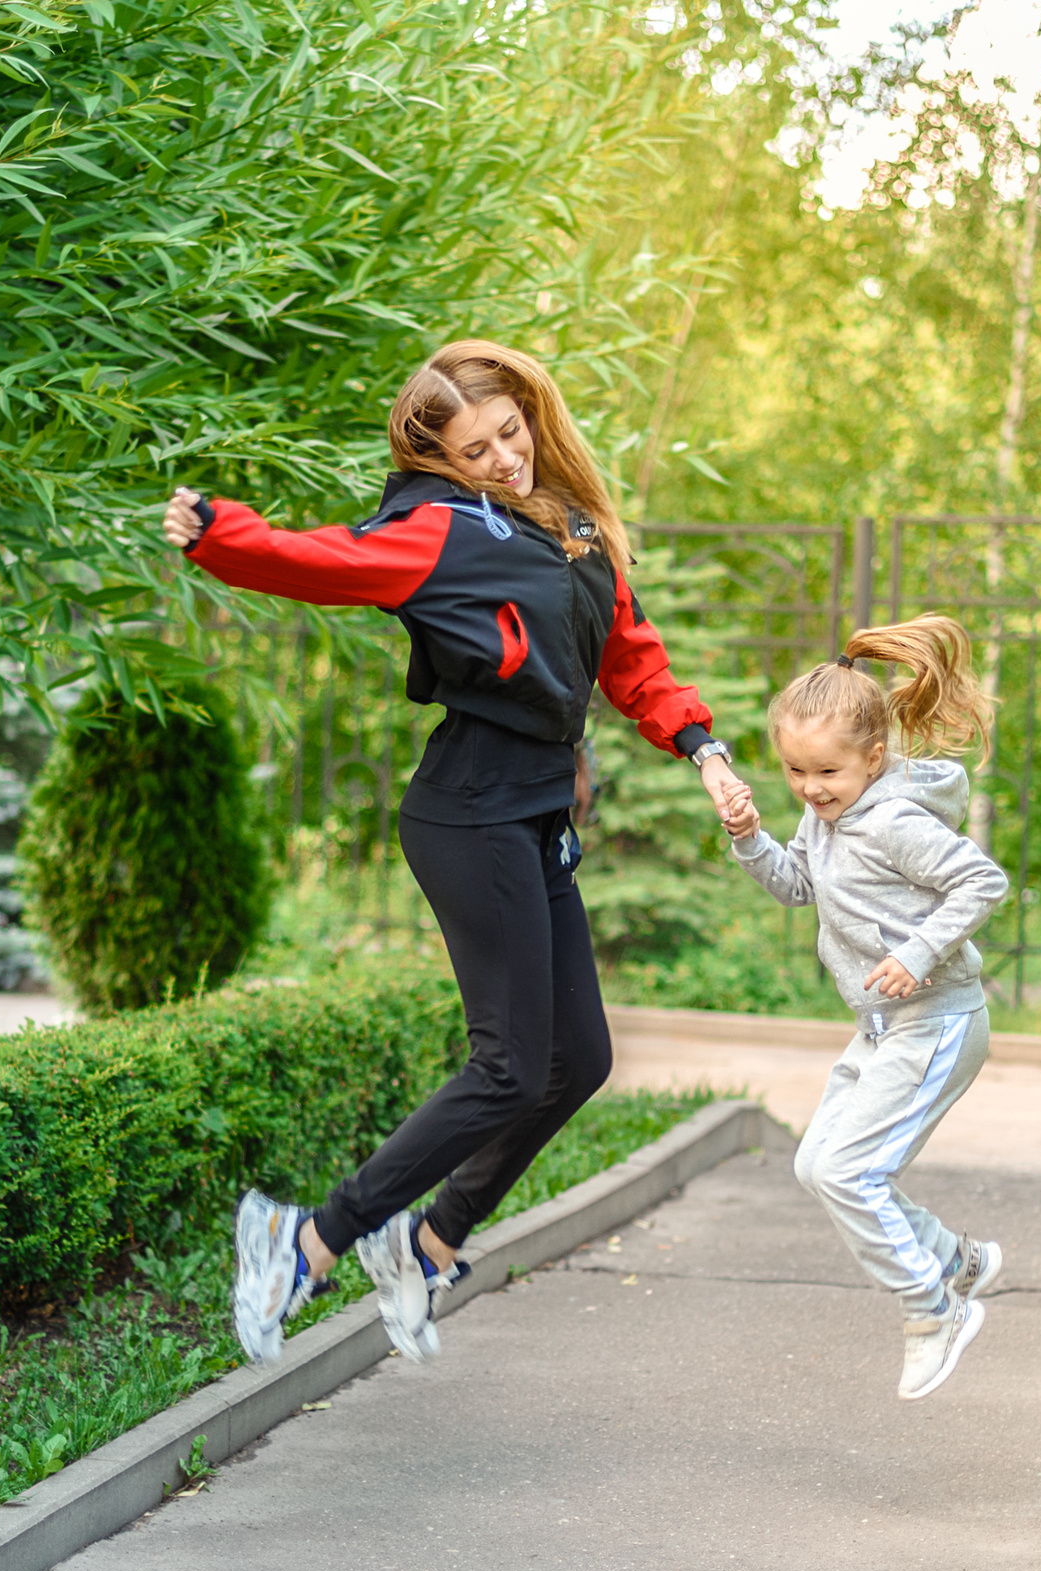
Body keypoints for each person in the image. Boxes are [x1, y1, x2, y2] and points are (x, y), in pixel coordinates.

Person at [158, 339, 746, 1365]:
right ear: (440, 459)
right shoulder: (441, 529)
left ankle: (426, 1243)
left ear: (532, 414)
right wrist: (219, 534)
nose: (505, 459)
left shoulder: (574, 530)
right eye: (477, 451)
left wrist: (704, 750)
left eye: (511, 433)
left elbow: (632, 659)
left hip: (533, 815)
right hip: (469, 812)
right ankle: (306, 1239)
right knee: (510, 1065)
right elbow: (320, 561)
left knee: (578, 1060)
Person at [715, 616, 1011, 1400]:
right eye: (795, 770)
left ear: (873, 758)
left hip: (937, 1020)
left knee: (851, 1171)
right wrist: (750, 838)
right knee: (818, 1165)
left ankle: (933, 1308)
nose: (811, 788)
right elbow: (797, 885)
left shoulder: (895, 821)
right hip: (881, 1028)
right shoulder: (823, 819)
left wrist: (917, 954)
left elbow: (982, 881)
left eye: (828, 771)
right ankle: (954, 1259)